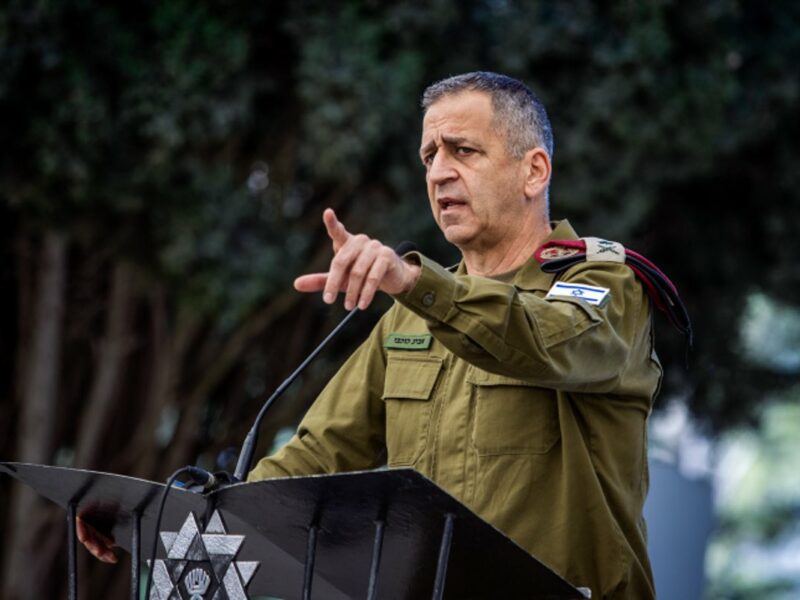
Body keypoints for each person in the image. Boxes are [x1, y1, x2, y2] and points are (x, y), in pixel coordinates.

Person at [80, 72, 662, 599]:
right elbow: (317, 455)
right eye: (429, 155)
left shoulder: (607, 285)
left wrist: (415, 282)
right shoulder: (411, 316)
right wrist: (165, 517)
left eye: (463, 150)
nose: (438, 172)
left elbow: (547, 342)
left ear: (533, 170)